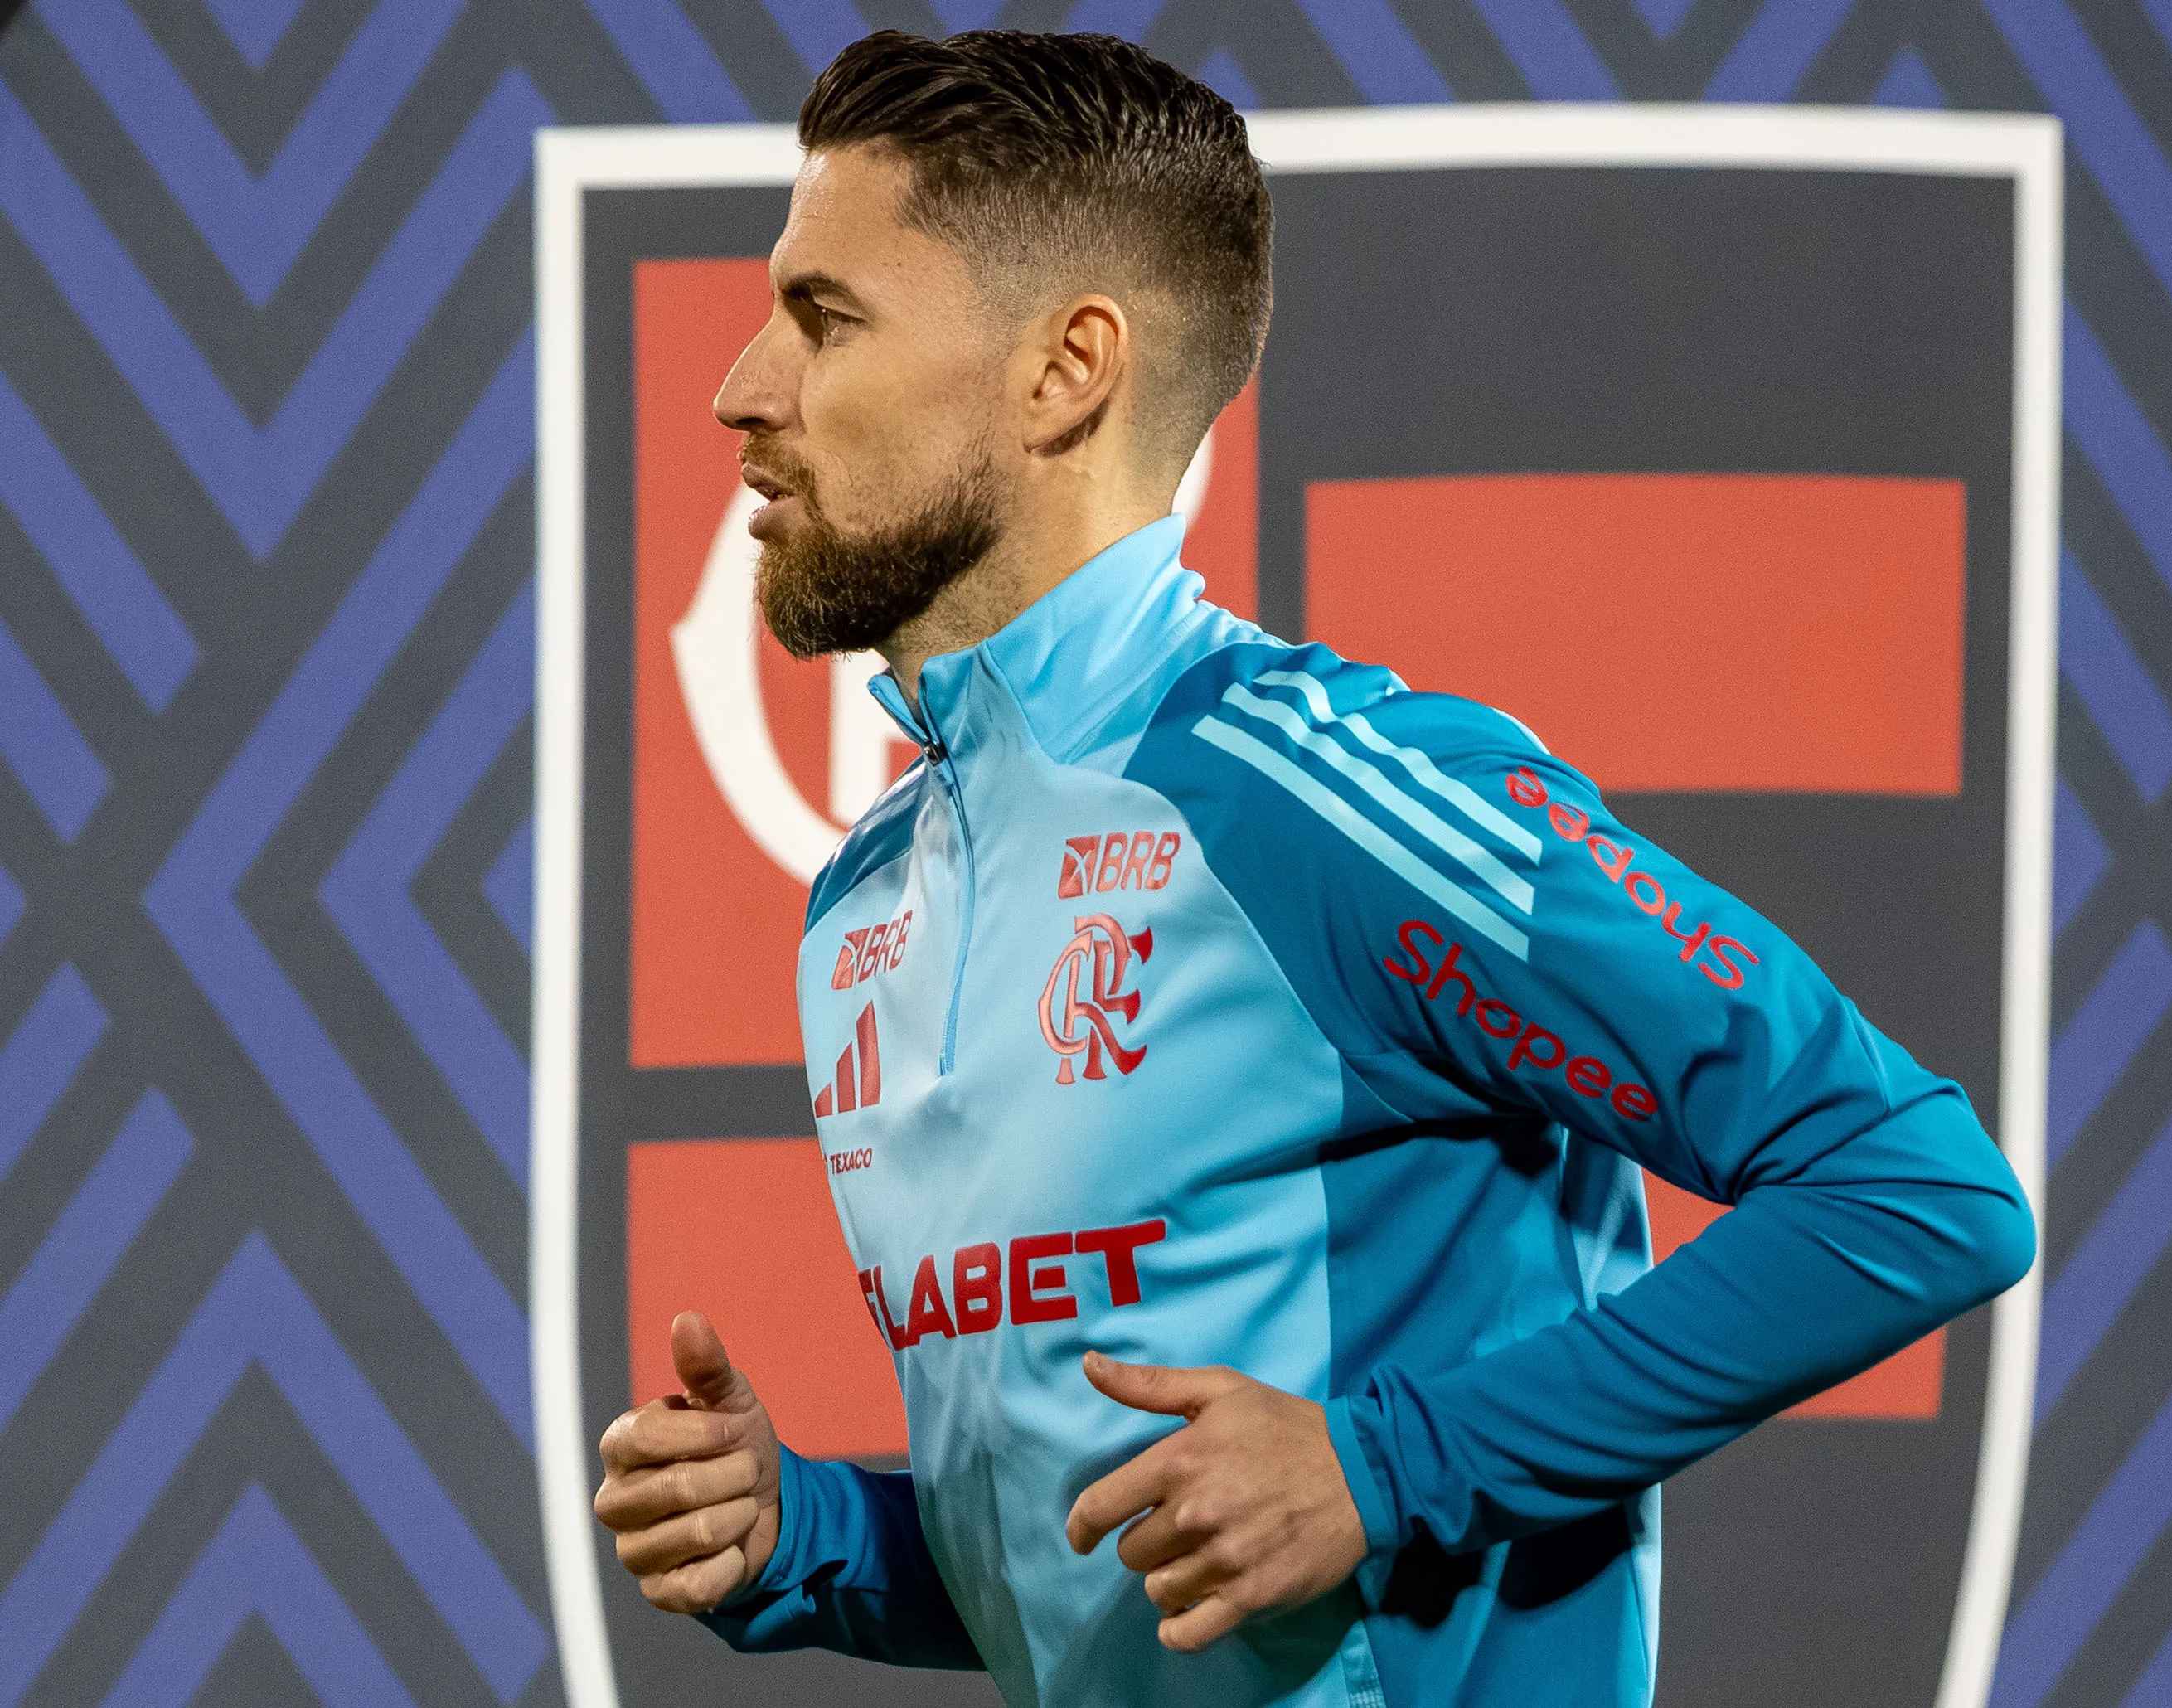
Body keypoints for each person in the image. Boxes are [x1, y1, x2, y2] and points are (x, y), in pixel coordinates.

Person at [589, 27, 2034, 1707]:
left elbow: (1919, 1189)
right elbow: (1128, 1547)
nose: (741, 386)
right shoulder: (868, 903)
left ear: (1069, 370)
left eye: (823, 315)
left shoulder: (1322, 799)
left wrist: (1386, 1466)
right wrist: (806, 1536)